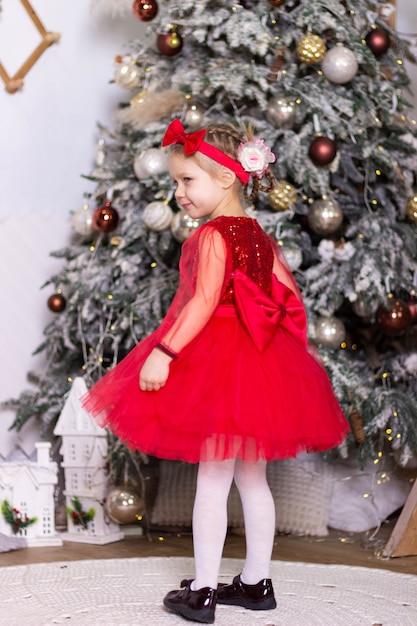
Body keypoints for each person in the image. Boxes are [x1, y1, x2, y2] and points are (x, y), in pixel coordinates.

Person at [82, 117, 350, 624]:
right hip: (259, 357)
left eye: (187, 181)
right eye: (175, 182)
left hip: (218, 360)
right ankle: (256, 582)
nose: (178, 192)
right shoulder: (257, 235)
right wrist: (282, 356)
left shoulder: (211, 236)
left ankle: (203, 590)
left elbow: (203, 302)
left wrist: (165, 351)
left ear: (226, 178)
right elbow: (289, 298)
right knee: (253, 481)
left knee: (213, 477)